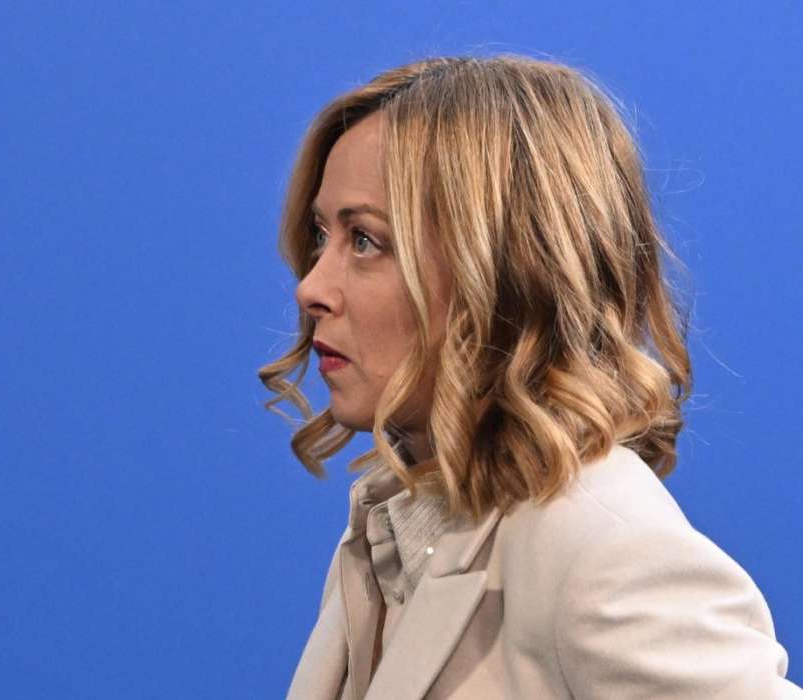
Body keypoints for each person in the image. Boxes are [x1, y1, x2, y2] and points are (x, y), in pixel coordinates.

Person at [257, 54, 802, 699]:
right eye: (322, 236)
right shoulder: (392, 530)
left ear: (504, 266)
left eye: (366, 241)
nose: (311, 288)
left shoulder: (603, 552)